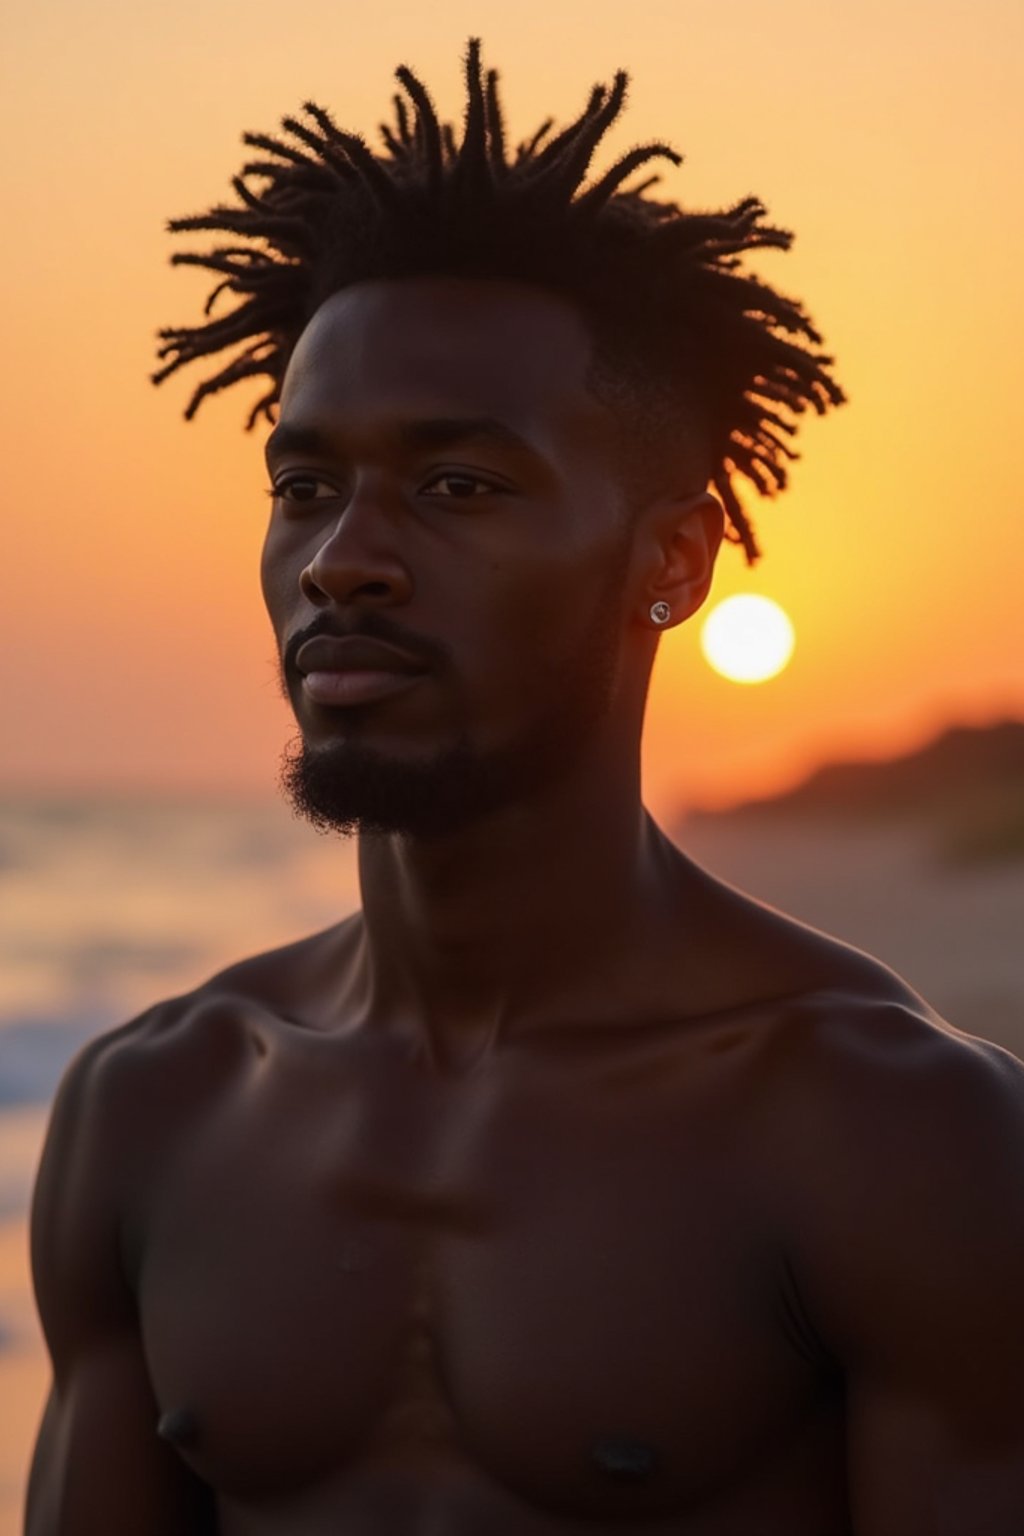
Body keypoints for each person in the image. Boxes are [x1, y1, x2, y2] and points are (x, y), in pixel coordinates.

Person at [25, 38, 1024, 1535]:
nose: (341, 557)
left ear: (670, 563)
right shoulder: (155, 1107)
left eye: (459, 487)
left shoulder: (892, 1132)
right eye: (304, 486)